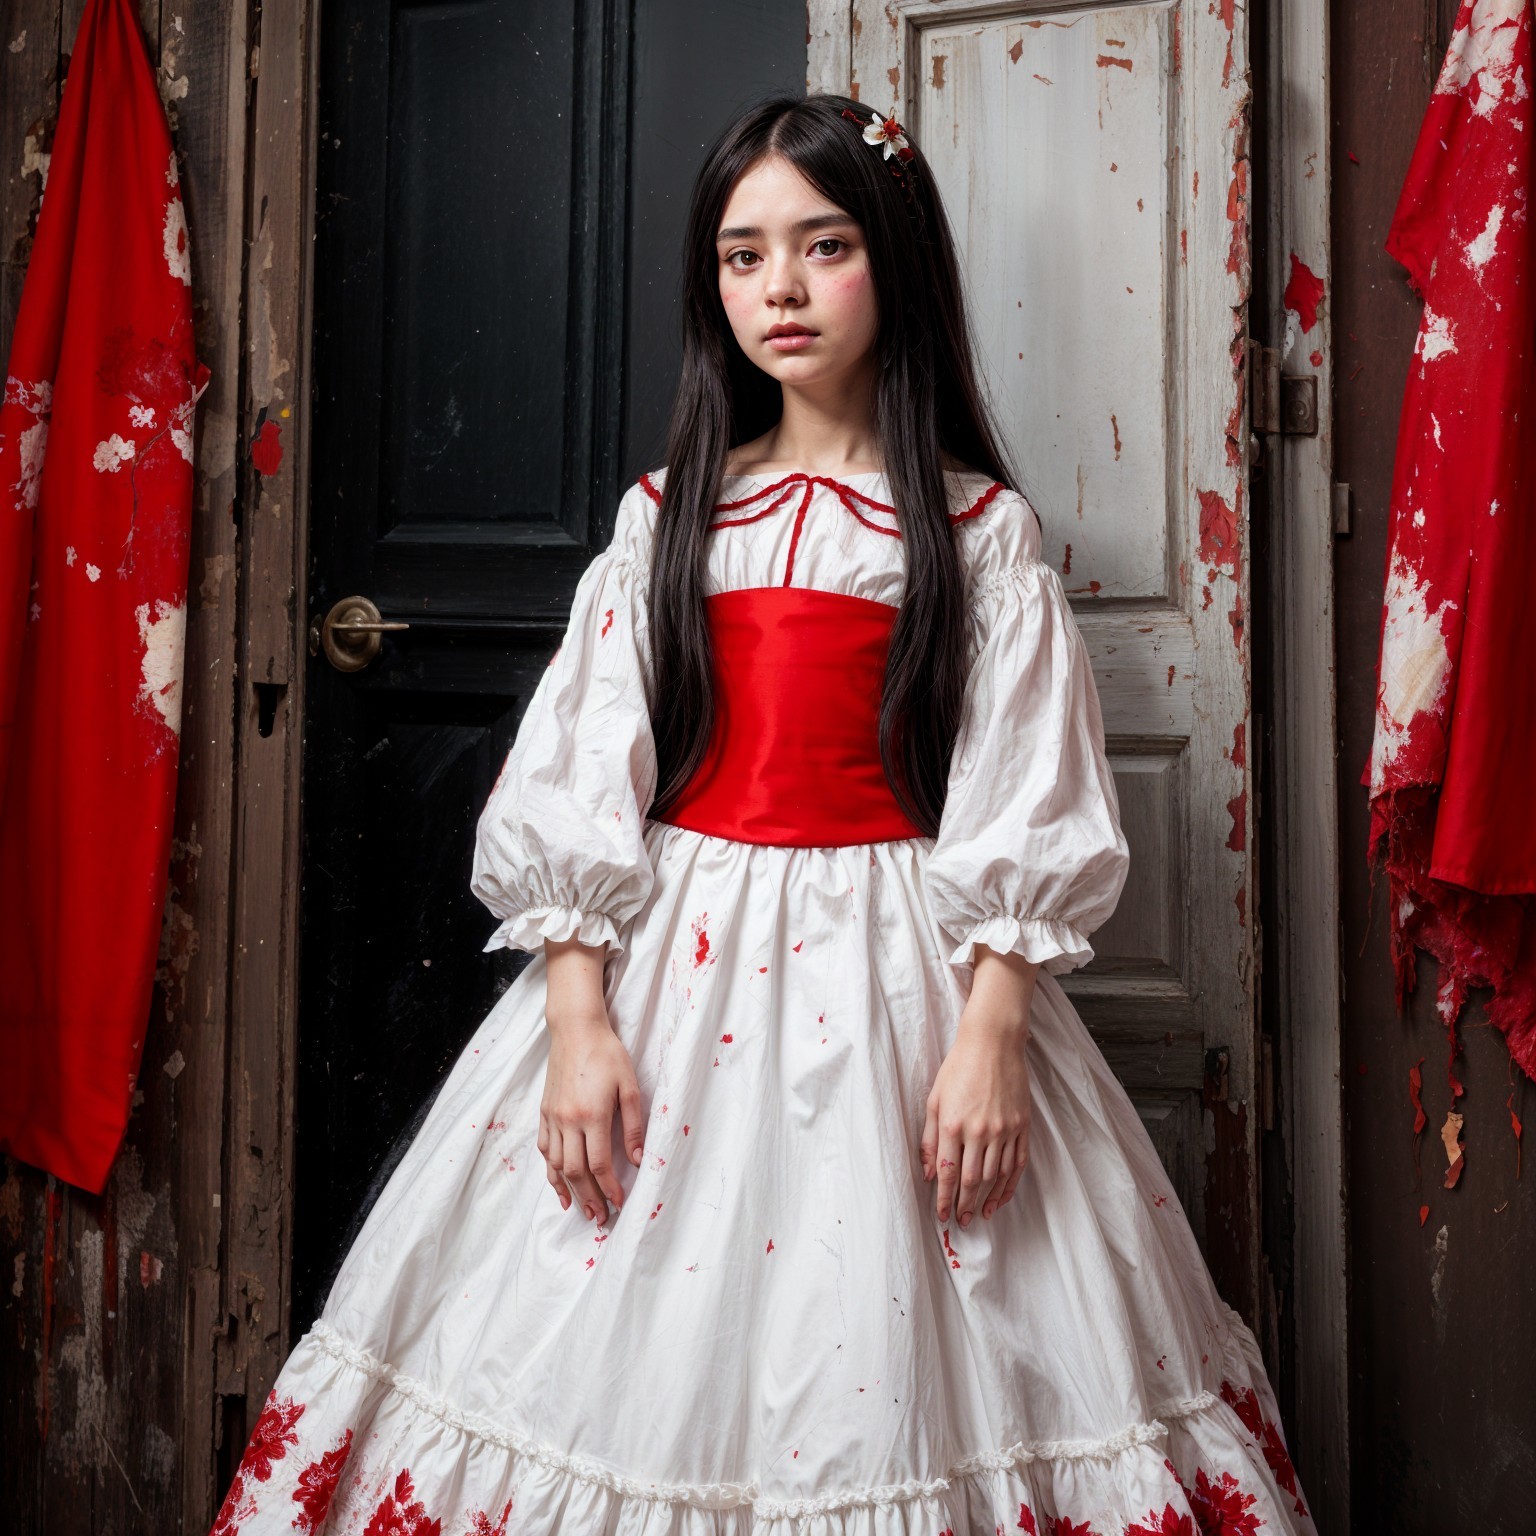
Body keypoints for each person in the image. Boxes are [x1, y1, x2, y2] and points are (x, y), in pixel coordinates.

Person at [210, 93, 1317, 1536]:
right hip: (673, 968)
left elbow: (1024, 793)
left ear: (894, 262)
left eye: (823, 245)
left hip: (902, 976)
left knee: (899, 1331)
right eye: (743, 256)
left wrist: (991, 1036)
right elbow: (580, 776)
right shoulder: (668, 517)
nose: (779, 287)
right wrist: (578, 1021)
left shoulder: (977, 534)